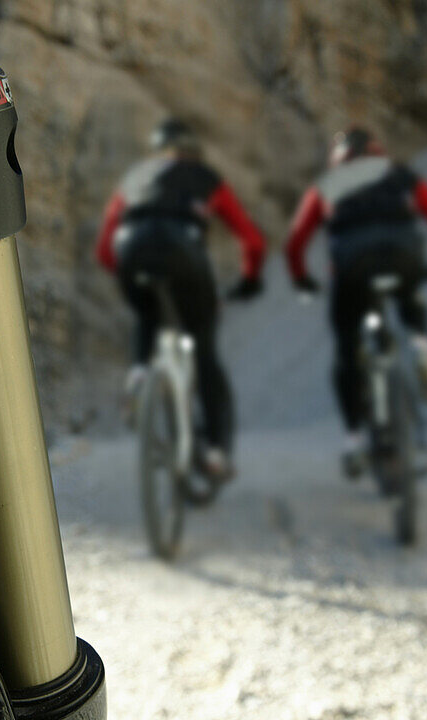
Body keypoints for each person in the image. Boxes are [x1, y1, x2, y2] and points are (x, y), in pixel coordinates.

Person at [283, 127, 427, 476]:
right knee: (410, 292)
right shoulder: (400, 175)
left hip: (352, 270)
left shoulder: (326, 185)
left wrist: (301, 279)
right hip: (404, 257)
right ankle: (421, 344)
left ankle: (354, 440)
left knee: (347, 351)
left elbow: (295, 242)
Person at [95, 118, 267, 479]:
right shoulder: (205, 178)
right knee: (204, 352)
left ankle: (140, 376)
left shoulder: (134, 178)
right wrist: (249, 279)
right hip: (184, 254)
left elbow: (104, 248)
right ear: (193, 150)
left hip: (132, 251)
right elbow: (251, 239)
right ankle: (217, 453)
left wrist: (127, 274)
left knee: (147, 315)